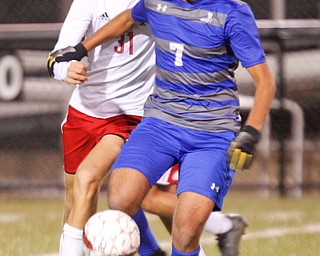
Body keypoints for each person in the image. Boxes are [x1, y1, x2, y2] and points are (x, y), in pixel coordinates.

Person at [46, 0, 271, 255]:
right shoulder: (157, 1)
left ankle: (204, 233)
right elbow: (127, 18)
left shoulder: (231, 11)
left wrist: (251, 131)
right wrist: (78, 50)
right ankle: (157, 250)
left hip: (207, 131)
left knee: (184, 231)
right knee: (119, 197)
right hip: (160, 122)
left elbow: (265, 80)